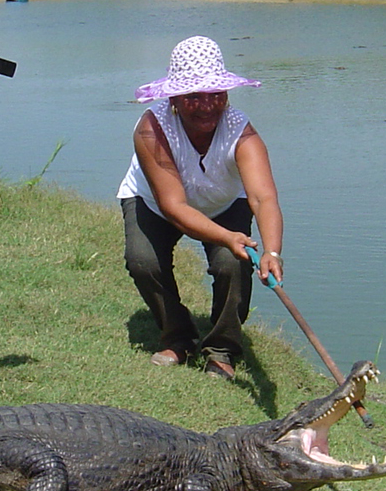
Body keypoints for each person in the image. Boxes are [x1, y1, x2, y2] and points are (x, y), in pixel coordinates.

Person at [116, 36, 283, 379]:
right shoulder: (151, 129)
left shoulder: (242, 131)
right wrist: (227, 236)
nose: (207, 105)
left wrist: (272, 252)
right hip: (156, 203)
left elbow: (263, 197)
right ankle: (177, 337)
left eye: (215, 95)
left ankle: (222, 348)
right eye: (194, 96)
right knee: (143, 261)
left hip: (223, 201)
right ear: (175, 97)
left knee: (232, 266)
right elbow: (174, 205)